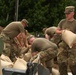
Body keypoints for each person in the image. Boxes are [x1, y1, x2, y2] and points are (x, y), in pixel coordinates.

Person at [56, 6, 76, 75]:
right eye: (66, 13)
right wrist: (63, 31)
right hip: (63, 45)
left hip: (73, 46)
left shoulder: (75, 23)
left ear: (73, 13)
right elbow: (57, 30)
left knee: (72, 64)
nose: (66, 15)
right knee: (62, 62)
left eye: (68, 13)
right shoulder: (62, 22)